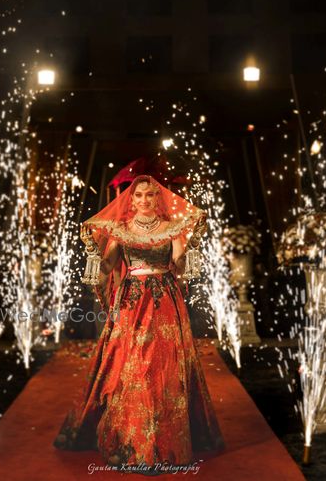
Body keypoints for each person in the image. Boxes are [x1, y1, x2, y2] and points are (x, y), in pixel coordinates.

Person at [53, 175, 224, 473]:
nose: (144, 200)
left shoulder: (172, 228)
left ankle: (164, 442)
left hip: (164, 301)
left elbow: (180, 267)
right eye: (139, 195)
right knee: (132, 366)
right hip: (132, 302)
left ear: (158, 198)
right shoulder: (120, 230)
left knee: (164, 366)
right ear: (131, 200)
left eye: (150, 195)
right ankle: (132, 441)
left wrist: (192, 244)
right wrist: (93, 252)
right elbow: (107, 267)